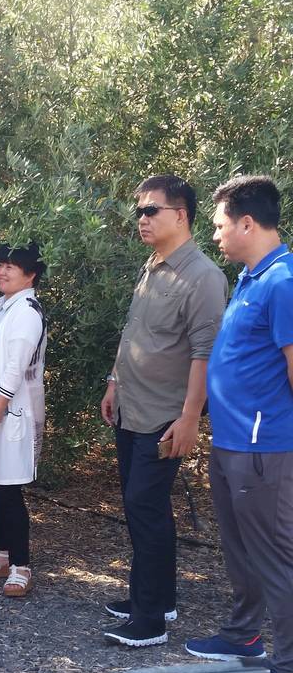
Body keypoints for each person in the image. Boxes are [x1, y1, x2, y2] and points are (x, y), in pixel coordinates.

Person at [100, 174, 227, 647]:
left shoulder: (205, 276)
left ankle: (149, 621)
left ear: (181, 215)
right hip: (131, 406)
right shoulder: (153, 265)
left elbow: (204, 354)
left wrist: (190, 417)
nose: (142, 219)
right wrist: (114, 382)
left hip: (164, 417)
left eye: (150, 210)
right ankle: (157, 597)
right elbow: (135, 332)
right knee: (141, 509)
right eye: (139, 211)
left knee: (145, 507)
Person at [185, 176, 293, 673]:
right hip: (231, 445)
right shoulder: (254, 277)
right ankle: (244, 636)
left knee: (274, 558)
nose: (218, 235)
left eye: (221, 225)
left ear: (248, 223)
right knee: (241, 550)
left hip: (263, 449)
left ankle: (289, 671)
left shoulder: (284, 282)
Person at [0, 244, 47, 597]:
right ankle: (1, 552)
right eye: (0, 264)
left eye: (12, 267)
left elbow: (17, 365)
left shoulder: (27, 312)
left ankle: (21, 565)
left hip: (10, 410)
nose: (3, 272)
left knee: (9, 490)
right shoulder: (4, 308)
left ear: (30, 275)